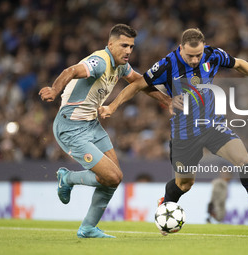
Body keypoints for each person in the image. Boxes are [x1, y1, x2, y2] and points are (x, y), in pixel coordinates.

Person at [99, 28, 248, 234]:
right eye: (190, 56)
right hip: (184, 133)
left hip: (212, 125)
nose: (195, 60)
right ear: (180, 49)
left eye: (198, 55)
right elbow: (137, 85)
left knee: (244, 160)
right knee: (184, 184)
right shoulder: (168, 64)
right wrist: (112, 107)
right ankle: (167, 203)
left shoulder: (212, 55)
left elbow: (239, 63)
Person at [39, 24, 171, 238]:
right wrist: (55, 89)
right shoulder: (100, 62)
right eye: (123, 45)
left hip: (92, 125)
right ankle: (68, 178)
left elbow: (139, 82)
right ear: (110, 44)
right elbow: (71, 71)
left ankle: (88, 227)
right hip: (70, 127)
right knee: (113, 176)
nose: (128, 51)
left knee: (113, 178)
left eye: (131, 46)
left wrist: (166, 101)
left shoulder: (120, 66)